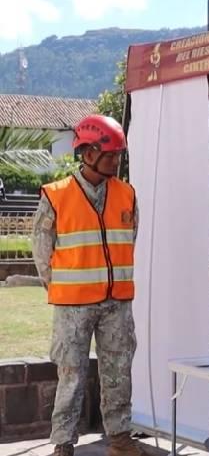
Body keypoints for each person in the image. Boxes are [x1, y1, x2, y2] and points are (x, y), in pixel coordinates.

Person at [33, 115, 142, 456]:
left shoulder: (127, 194)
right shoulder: (56, 195)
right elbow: (42, 253)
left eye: (119, 154)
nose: (116, 160)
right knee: (71, 375)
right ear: (88, 153)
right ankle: (63, 443)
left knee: (118, 371)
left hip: (117, 303)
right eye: (110, 154)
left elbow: (130, 239)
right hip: (73, 306)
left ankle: (120, 439)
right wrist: (63, 288)